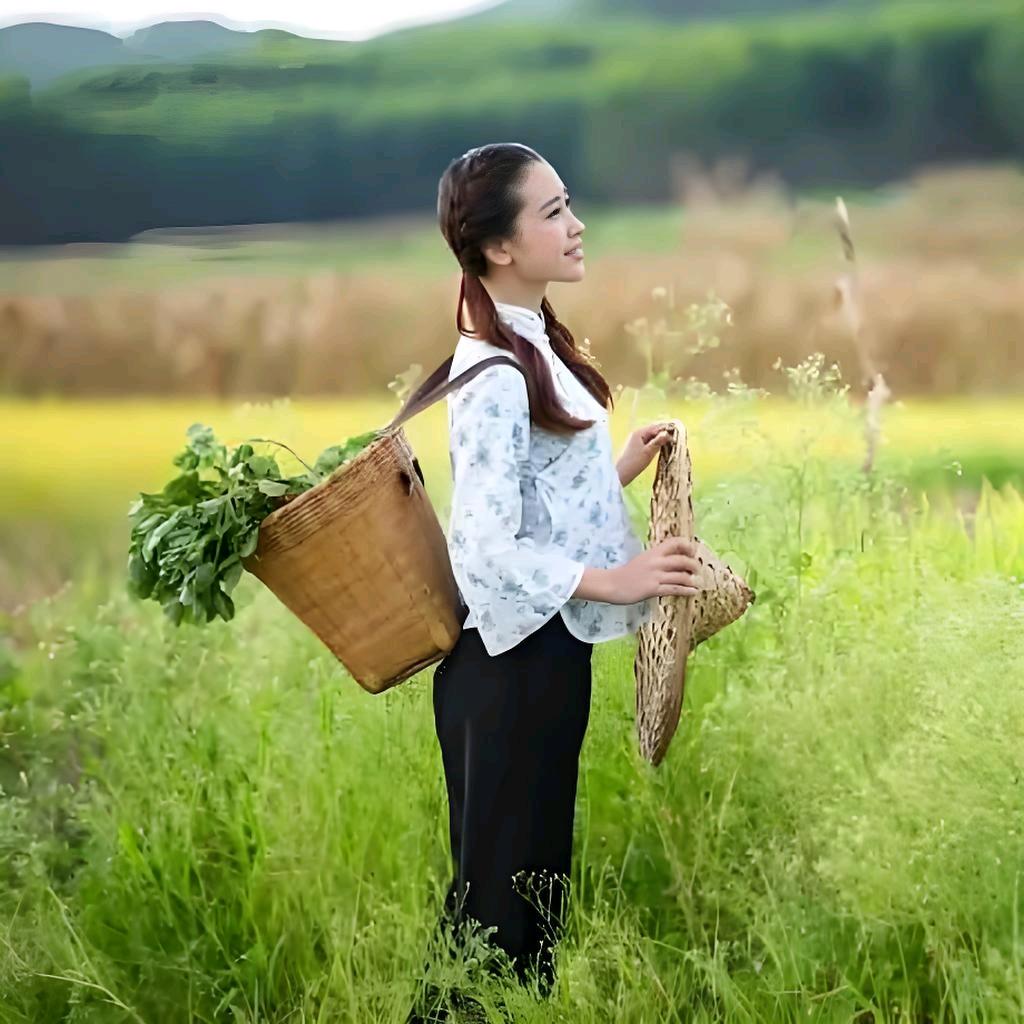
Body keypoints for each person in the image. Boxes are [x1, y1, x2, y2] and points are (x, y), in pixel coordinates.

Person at [408, 143, 702, 1023]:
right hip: (506, 673)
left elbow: (532, 504)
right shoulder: (493, 371)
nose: (576, 226)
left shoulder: (528, 339)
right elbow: (485, 547)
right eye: (553, 211)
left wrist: (613, 469)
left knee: (526, 917)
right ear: (500, 247)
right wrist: (616, 578)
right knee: (495, 926)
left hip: (539, 662)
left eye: (569, 206)